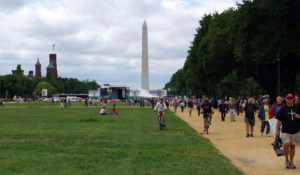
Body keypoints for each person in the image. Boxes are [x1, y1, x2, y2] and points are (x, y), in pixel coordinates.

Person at [276, 93, 300, 169]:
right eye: (288, 98)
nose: (289, 99)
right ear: (285, 99)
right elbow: (279, 121)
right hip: (285, 130)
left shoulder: (298, 108)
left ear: (293, 99)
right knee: (286, 145)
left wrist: (299, 117)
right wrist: (277, 131)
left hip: (296, 130)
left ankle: (291, 161)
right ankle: (286, 159)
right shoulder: (282, 109)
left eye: (291, 98)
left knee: (293, 146)